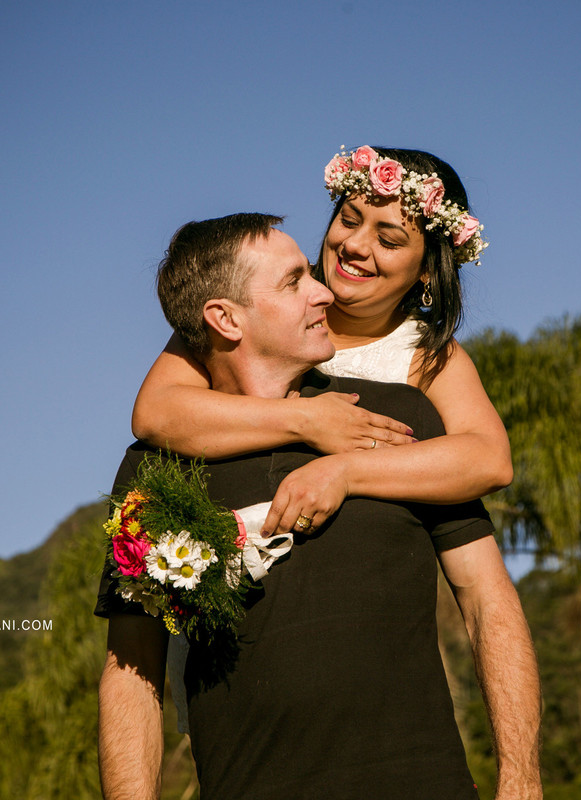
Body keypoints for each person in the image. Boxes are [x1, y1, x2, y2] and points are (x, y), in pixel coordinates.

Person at [96, 213, 541, 800]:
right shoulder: (159, 462)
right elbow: (132, 665)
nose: (324, 291)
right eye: (293, 281)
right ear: (225, 318)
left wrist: (522, 780)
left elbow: (488, 599)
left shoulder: (401, 416)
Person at [131, 146, 512, 535]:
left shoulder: (430, 357)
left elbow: (489, 459)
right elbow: (155, 412)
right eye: (348, 220)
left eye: (390, 241)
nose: (355, 246)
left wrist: (345, 471)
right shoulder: (257, 298)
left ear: (428, 271)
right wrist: (306, 420)